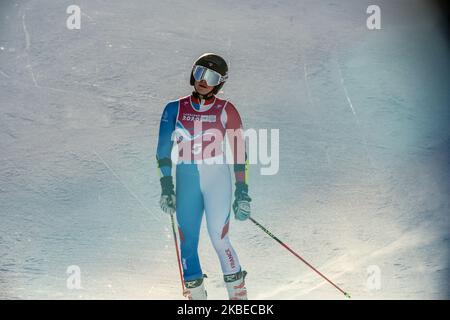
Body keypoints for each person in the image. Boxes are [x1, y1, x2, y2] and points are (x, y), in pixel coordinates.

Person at [156, 53, 252, 300]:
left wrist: (243, 191)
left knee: (219, 239)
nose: (203, 81)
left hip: (216, 179)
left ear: (220, 83)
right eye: (199, 73)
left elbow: (239, 153)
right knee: (187, 243)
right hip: (186, 178)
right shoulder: (174, 109)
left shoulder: (226, 110)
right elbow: (162, 151)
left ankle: (238, 298)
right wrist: (166, 187)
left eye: (211, 77)